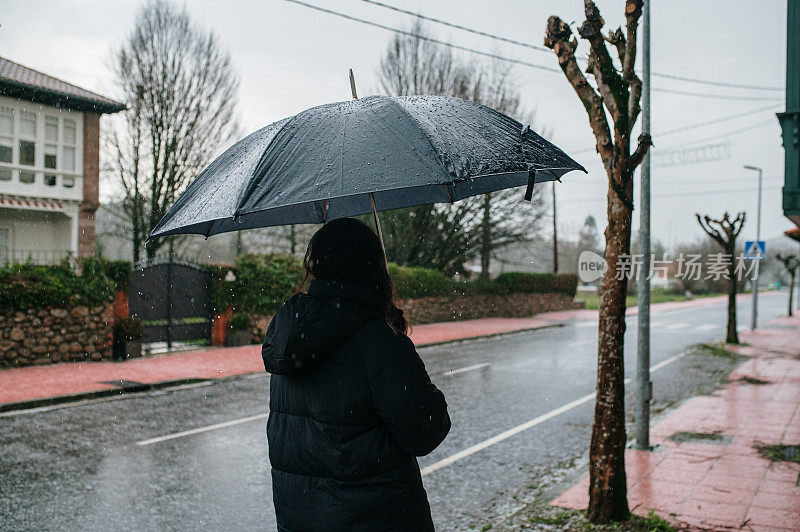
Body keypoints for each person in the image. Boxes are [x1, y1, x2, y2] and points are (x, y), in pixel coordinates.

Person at [262, 217, 451, 531]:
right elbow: (425, 432)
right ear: (373, 268)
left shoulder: (292, 335)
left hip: (301, 520)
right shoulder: (379, 342)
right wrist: (395, 344)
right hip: (377, 519)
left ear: (316, 266)